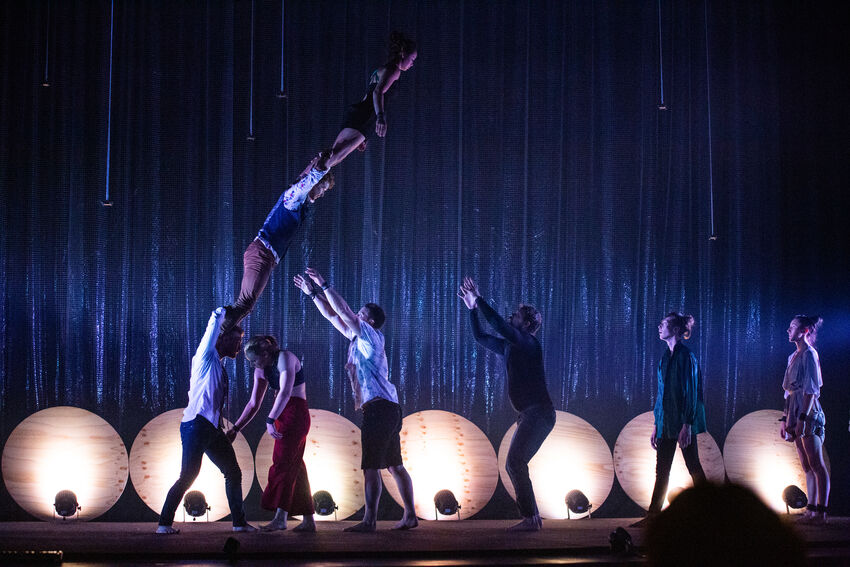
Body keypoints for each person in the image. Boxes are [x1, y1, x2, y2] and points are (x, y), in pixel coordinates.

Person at [294, 267, 417, 532]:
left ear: (370, 321)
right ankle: (410, 516)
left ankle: (370, 520)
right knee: (395, 465)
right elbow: (332, 315)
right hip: (386, 407)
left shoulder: (371, 336)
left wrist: (324, 284)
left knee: (371, 465)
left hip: (380, 408)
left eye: (362, 314)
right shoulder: (356, 339)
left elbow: (344, 313)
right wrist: (313, 294)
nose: (356, 316)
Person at [457, 277, 554, 532]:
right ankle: (533, 518)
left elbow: (499, 324)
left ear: (528, 324)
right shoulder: (512, 345)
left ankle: (531, 519)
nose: (513, 315)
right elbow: (480, 337)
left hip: (539, 413)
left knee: (514, 463)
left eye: (518, 315)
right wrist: (471, 311)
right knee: (516, 463)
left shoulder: (528, 343)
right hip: (529, 415)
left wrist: (478, 299)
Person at [156, 307, 255, 534]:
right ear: (224, 339)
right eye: (237, 341)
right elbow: (211, 331)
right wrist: (219, 314)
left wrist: (224, 428)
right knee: (188, 475)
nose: (240, 347)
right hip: (196, 425)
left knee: (232, 471)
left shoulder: (218, 365)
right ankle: (164, 524)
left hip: (210, 428)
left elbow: (212, 402)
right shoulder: (205, 356)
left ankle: (239, 524)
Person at [221, 157, 335, 333]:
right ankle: (215, 339)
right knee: (244, 304)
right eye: (323, 188)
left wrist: (315, 162)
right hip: (262, 253)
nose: (322, 194)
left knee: (246, 305)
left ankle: (218, 336)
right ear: (315, 183)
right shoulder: (293, 198)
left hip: (266, 256)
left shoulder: (297, 201)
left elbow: (302, 178)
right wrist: (320, 169)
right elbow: (304, 182)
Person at [225, 335, 316, 532]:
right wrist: (236, 428)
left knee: (282, 464)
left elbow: (285, 391)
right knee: (296, 466)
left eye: (254, 360)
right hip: (282, 414)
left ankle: (281, 518)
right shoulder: (262, 369)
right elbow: (253, 403)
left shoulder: (285, 357)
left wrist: (270, 419)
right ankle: (308, 520)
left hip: (296, 413)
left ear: (265, 354)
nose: (252, 365)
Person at [312, 31, 417, 172]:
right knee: (335, 157)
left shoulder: (383, 68)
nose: (412, 64)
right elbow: (377, 92)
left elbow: (371, 93)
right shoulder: (394, 70)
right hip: (367, 115)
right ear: (403, 53)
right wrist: (380, 116)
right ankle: (307, 180)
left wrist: (364, 137)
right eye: (412, 59)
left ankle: (304, 176)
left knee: (333, 153)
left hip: (359, 112)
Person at [644, 312, 707, 519]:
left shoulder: (686, 356)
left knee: (693, 464)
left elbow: (691, 391)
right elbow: (661, 393)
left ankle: (711, 509)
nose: (659, 327)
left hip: (681, 422)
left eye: (664, 324)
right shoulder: (665, 357)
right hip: (665, 422)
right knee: (661, 469)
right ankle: (654, 514)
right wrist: (656, 424)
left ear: (677, 330)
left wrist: (687, 424)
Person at [779, 315, 829, 523]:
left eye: (792, 327)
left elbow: (811, 390)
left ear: (805, 331)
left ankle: (821, 511)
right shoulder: (793, 356)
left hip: (807, 411)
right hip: (794, 408)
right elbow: (788, 392)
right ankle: (811, 509)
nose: (788, 330)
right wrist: (785, 418)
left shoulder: (809, 354)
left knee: (816, 463)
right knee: (806, 464)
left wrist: (802, 418)